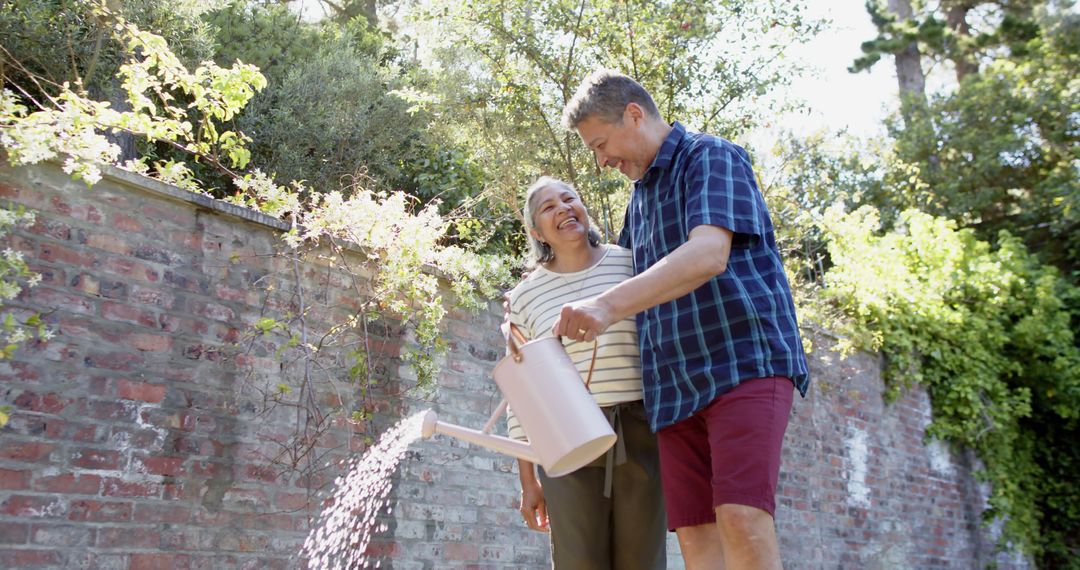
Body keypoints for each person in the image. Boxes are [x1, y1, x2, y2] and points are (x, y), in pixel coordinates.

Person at [553, 70, 810, 570]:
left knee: (741, 516)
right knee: (695, 537)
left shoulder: (711, 157)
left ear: (634, 114)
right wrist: (533, 295)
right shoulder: (639, 202)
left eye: (601, 144)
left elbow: (707, 254)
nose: (602, 161)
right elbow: (605, 273)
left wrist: (605, 307)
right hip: (672, 389)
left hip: (743, 364)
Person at [503, 176, 667, 570]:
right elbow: (522, 394)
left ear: (584, 207)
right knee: (579, 563)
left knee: (642, 562)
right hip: (564, 440)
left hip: (640, 430)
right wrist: (529, 482)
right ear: (535, 230)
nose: (562, 208)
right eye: (548, 207)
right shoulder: (525, 296)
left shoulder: (631, 263)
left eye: (568, 198)